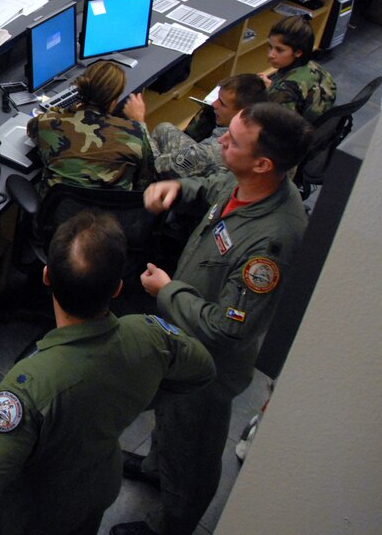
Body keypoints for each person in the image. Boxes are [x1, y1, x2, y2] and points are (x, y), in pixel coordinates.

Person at [111, 103, 312, 535]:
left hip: (208, 365)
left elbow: (228, 327)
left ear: (263, 163)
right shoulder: (251, 184)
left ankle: (172, 523)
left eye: (232, 141)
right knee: (168, 415)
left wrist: (167, 291)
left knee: (193, 449)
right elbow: (214, 185)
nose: (221, 140)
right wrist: (178, 188)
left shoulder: (271, 241)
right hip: (183, 337)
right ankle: (154, 468)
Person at [0, 211, 215, 535]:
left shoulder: (29, 386)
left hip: (32, 514)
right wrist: (137, 392)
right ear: (117, 288)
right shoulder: (149, 335)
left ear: (47, 276)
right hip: (96, 485)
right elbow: (202, 369)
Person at [29, 60, 154, 192]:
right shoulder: (136, 134)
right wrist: (139, 123)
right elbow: (146, 180)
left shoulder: (47, 123)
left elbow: (32, 128)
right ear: (113, 101)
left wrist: (69, 111)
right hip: (111, 211)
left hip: (59, 210)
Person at [137, 74, 268, 179]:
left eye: (222, 104)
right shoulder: (260, 121)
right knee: (164, 129)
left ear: (242, 113)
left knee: (136, 145)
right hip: (210, 171)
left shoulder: (214, 150)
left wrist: (139, 123)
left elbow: (155, 166)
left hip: (187, 197)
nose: (214, 104)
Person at [261, 14, 336, 123]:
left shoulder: (284, 91)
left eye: (279, 50)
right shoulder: (315, 68)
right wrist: (273, 87)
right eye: (270, 47)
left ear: (298, 52)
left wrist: (267, 95)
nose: (271, 54)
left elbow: (274, 127)